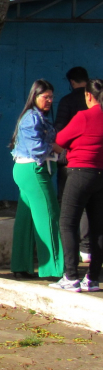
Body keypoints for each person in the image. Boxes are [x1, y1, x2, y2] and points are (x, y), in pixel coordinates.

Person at [9, 79, 65, 279]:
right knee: (49, 215)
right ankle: (54, 269)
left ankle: (20, 266)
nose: (49, 100)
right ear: (35, 96)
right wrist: (56, 148)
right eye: (46, 97)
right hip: (34, 169)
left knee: (26, 219)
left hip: (26, 169)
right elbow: (37, 147)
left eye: (51, 97)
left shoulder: (33, 116)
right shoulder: (33, 118)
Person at [52, 77, 103, 292]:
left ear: (88, 96)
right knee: (98, 227)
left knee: (68, 223)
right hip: (101, 175)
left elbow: (59, 140)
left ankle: (71, 276)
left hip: (80, 172)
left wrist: (69, 152)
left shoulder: (83, 116)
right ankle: (92, 278)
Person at [55, 66, 92, 265]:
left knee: (67, 210)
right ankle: (87, 249)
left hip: (71, 162)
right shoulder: (98, 105)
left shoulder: (68, 102)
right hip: (95, 165)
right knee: (90, 207)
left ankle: (69, 257)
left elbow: (59, 133)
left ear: (72, 82)